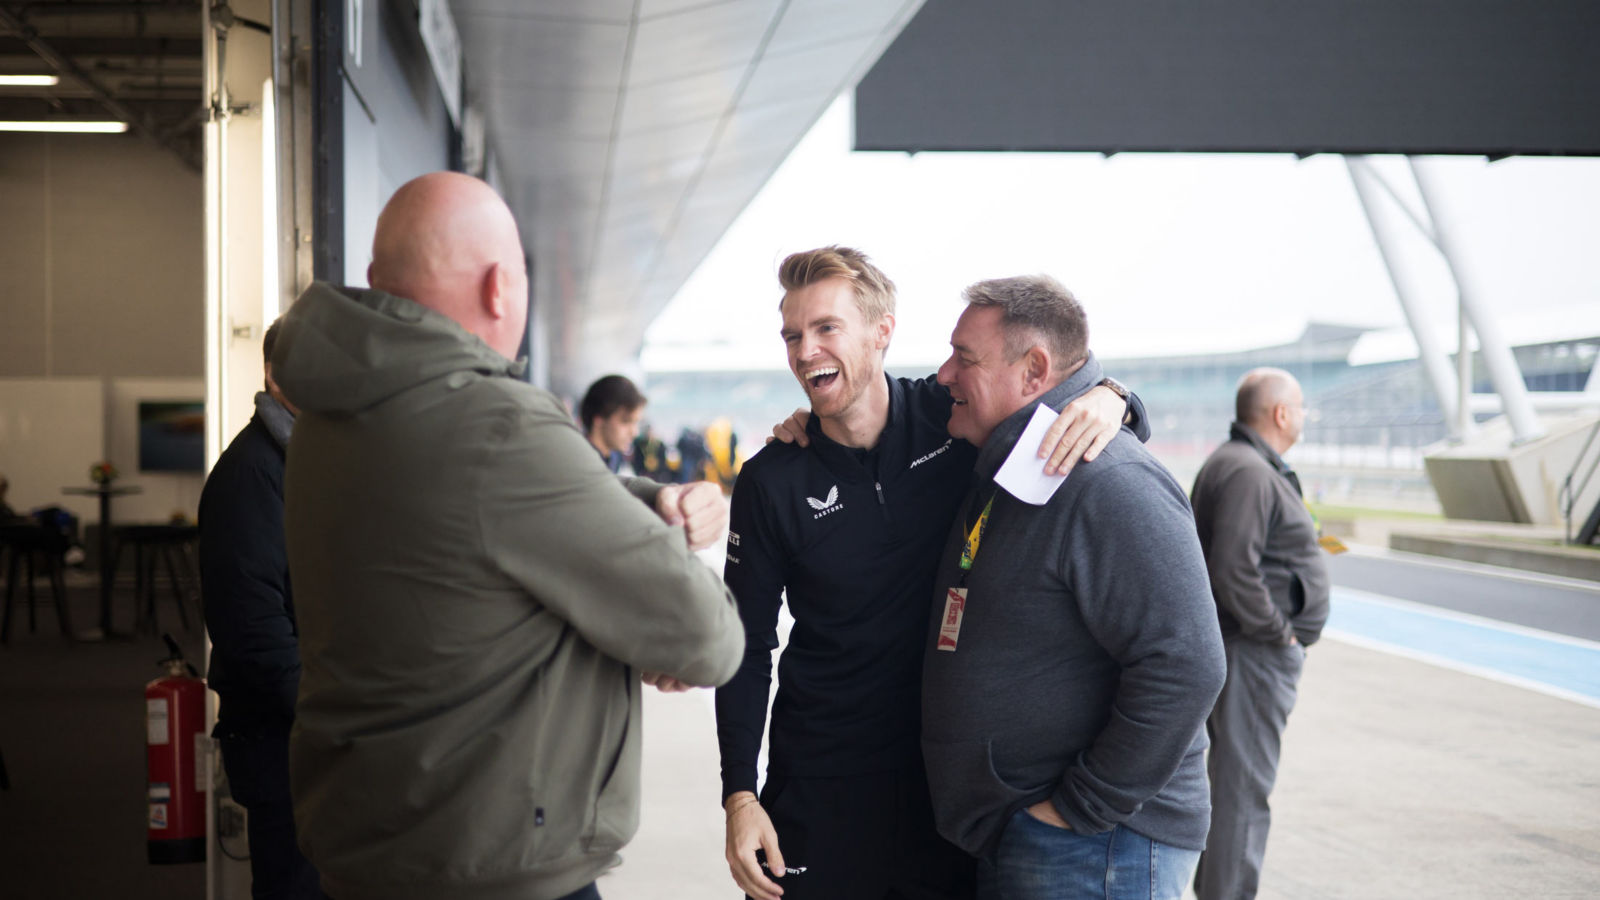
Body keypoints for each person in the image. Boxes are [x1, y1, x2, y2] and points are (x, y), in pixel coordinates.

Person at [272, 171, 745, 900]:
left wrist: (649, 501)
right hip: (492, 865)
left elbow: (469, 525)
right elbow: (708, 636)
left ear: (377, 282)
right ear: (500, 287)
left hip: (368, 850)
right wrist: (642, 600)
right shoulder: (500, 425)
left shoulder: (331, 419)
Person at [716, 246, 1144, 900]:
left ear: (882, 331)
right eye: (793, 335)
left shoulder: (954, 423)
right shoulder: (773, 479)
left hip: (949, 788)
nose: (805, 352)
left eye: (827, 328)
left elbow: (1043, 395)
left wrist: (1115, 398)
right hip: (821, 783)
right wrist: (740, 795)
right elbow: (746, 648)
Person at [920, 274, 1225, 900]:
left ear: (1034, 369)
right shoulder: (1013, 460)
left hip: (1095, 847)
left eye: (964, 358)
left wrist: (1076, 811)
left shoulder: (1109, 482)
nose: (944, 374)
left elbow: (1187, 664)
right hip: (1040, 839)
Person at [1189, 368, 1330, 900]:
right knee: (1243, 793)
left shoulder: (1245, 463)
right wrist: (1279, 633)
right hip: (1252, 652)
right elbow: (1233, 570)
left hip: (1248, 650)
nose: (1304, 416)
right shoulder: (1248, 471)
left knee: (1236, 789)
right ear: (1280, 414)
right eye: (1301, 407)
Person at [198, 318, 322, 900]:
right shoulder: (251, 475)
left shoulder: (317, 463)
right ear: (274, 377)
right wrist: (334, 715)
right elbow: (254, 633)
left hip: (316, 743)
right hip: (288, 749)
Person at [580, 374, 646, 473]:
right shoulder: (578, 463)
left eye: (636, 423)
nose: (634, 432)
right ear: (599, 419)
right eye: (626, 421)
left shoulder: (613, 457)